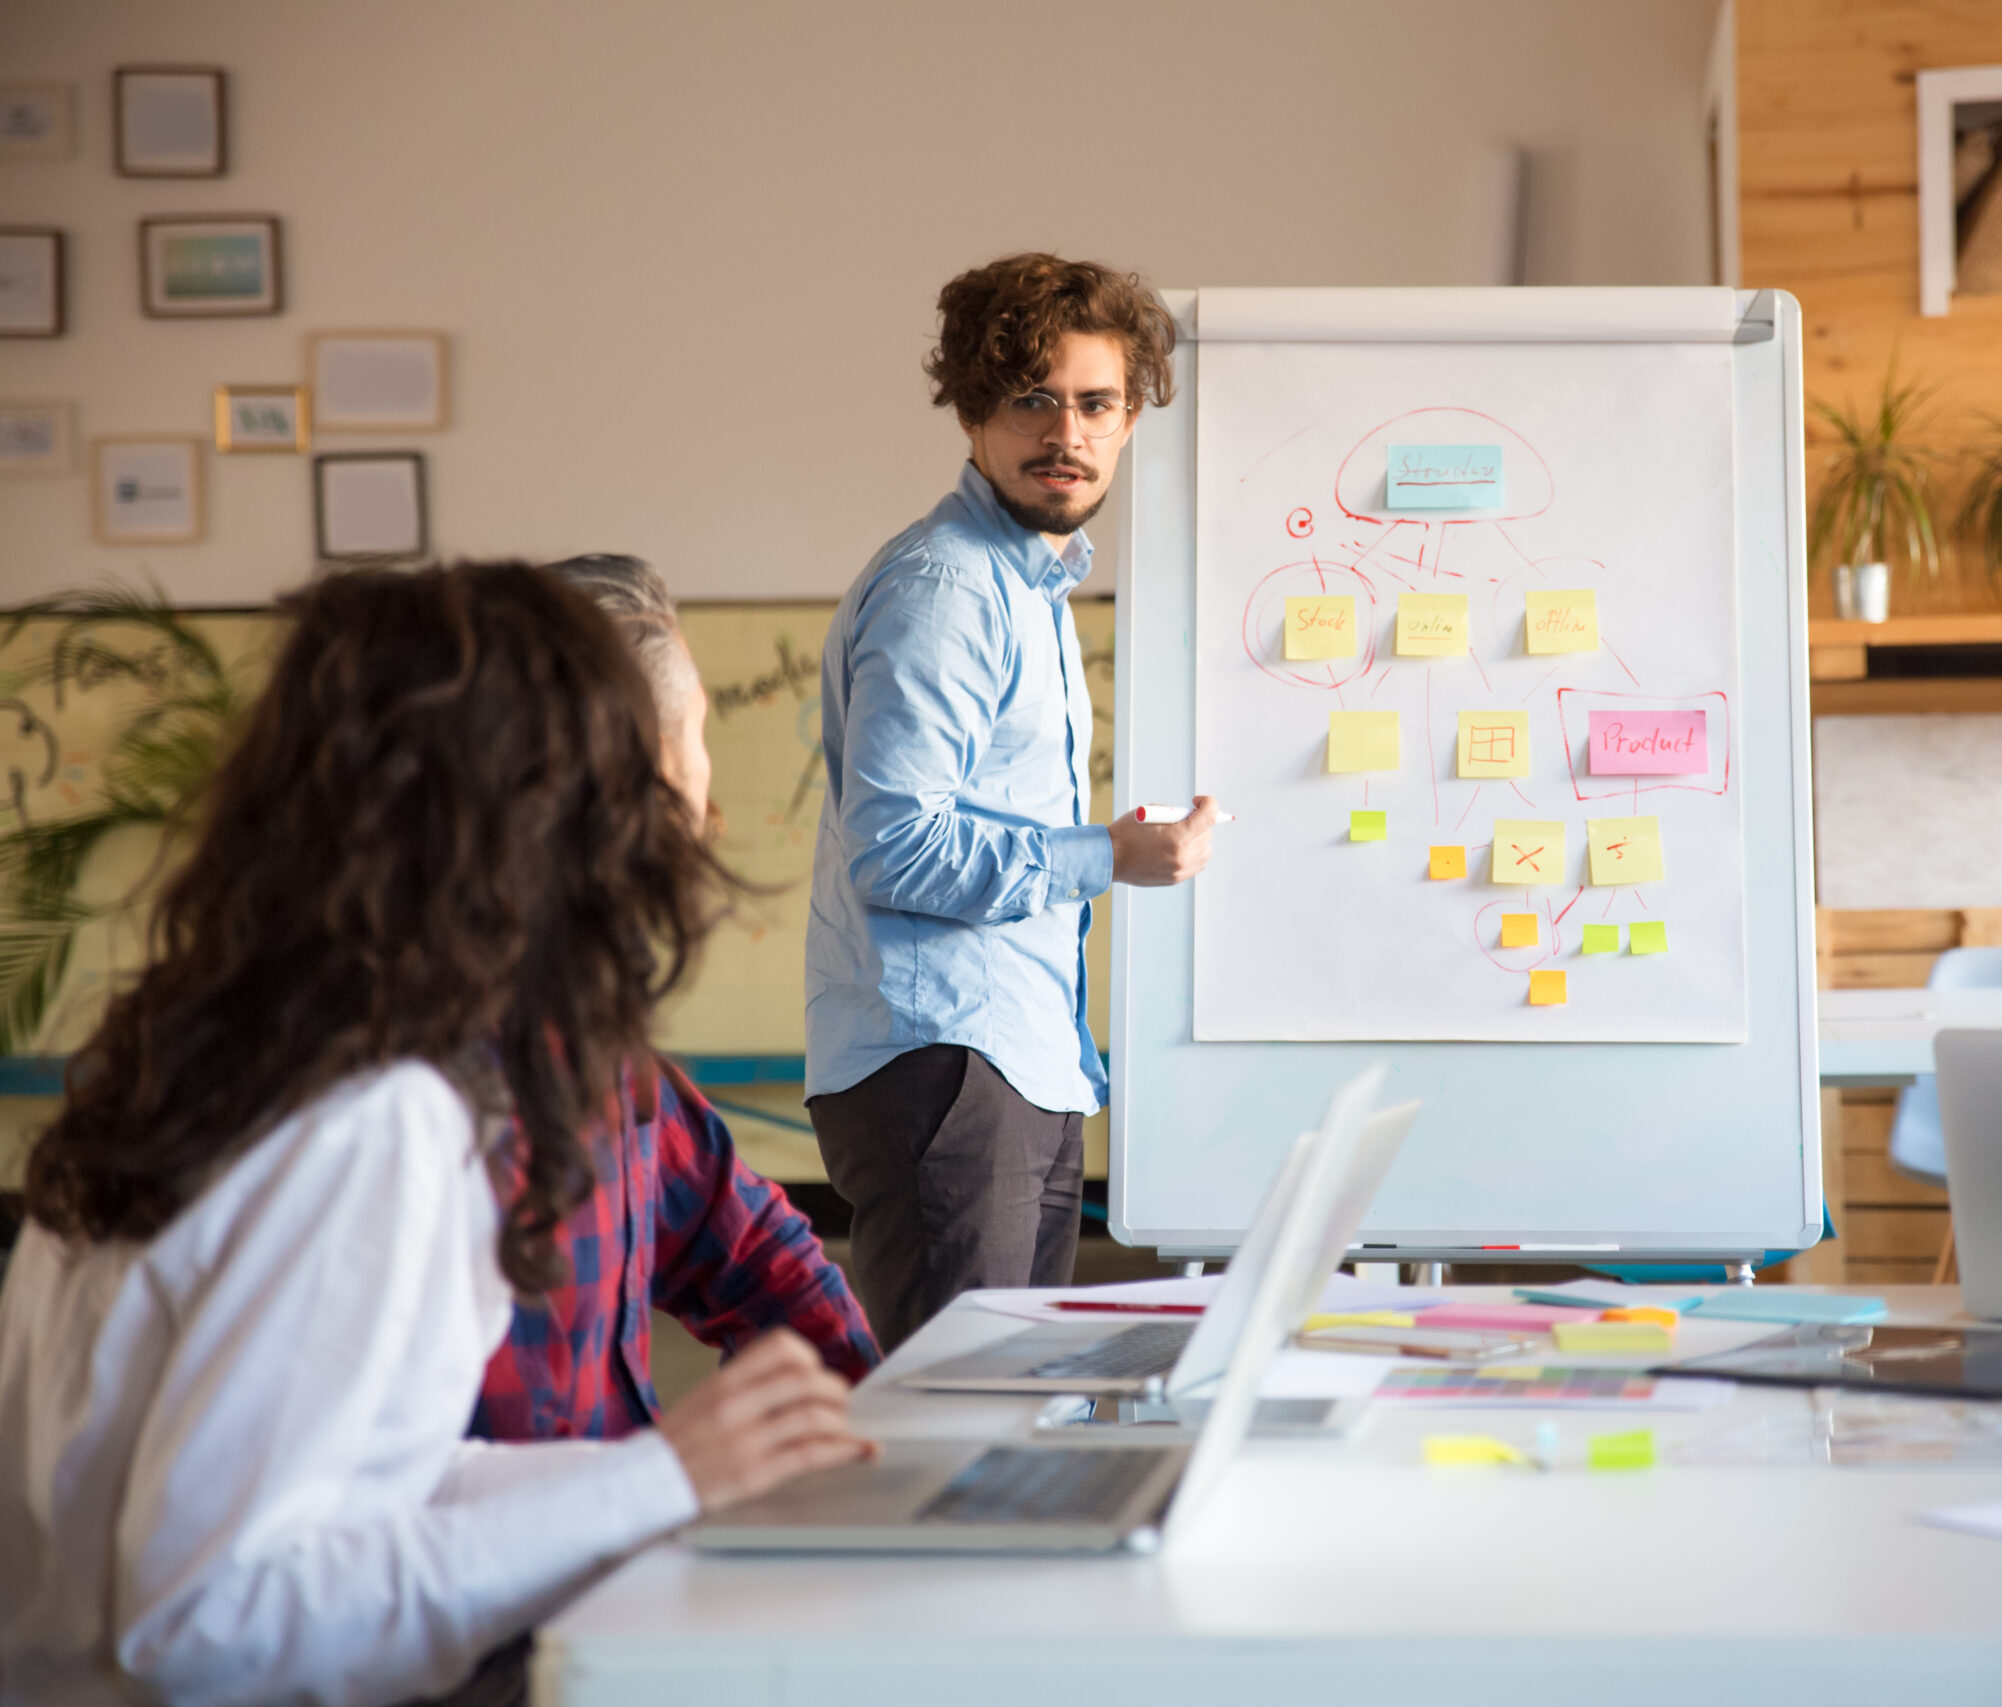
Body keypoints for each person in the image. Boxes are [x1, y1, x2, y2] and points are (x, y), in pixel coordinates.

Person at [0, 564, 871, 1707]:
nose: (684, 823)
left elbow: (371, 1482)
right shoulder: (381, 1118)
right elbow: (213, 1622)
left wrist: (666, 1480)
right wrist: (659, 1477)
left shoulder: (220, 1044)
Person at [805, 253, 1219, 1352]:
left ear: (1132, 418)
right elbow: (894, 849)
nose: (1067, 434)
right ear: (974, 408)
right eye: (1033, 399)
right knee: (959, 1424)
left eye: (1096, 403)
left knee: (1012, 1412)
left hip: (1010, 1057)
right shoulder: (948, 589)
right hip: (948, 1061)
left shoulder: (1025, 583)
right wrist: (1109, 858)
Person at [465, 554, 876, 1445]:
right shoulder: (449, 1079)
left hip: (617, 1542)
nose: (709, 788)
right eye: (699, 730)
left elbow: (752, 1248)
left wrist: (878, 1421)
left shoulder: (599, 1043)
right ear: (628, 762)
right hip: (531, 1568)